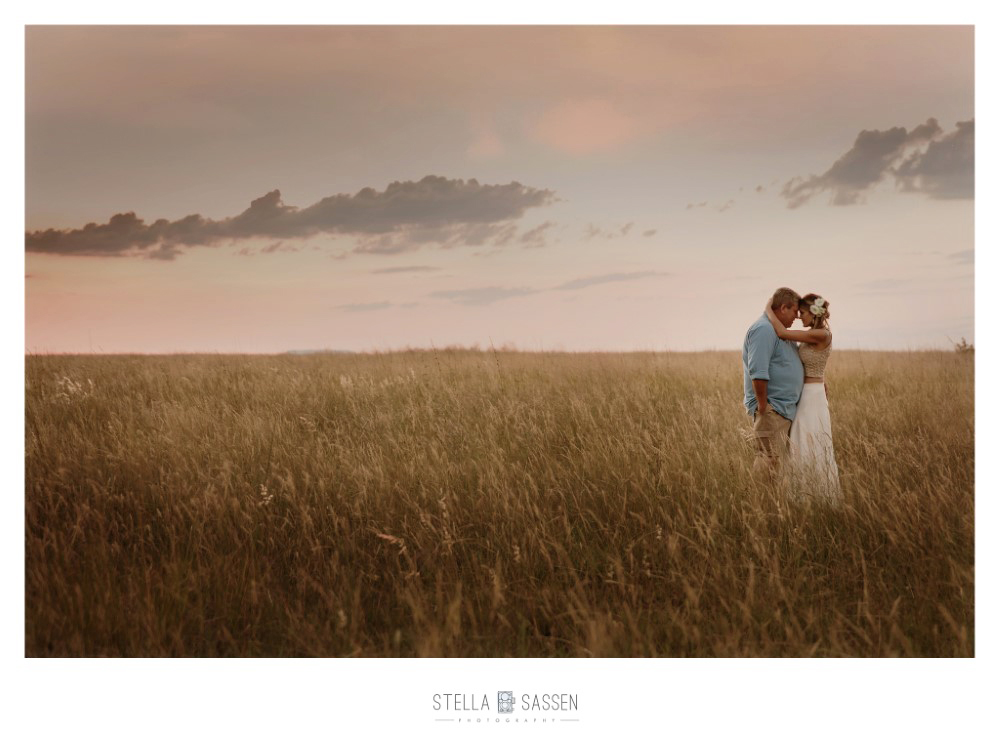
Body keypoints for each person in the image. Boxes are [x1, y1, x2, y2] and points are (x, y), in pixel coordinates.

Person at [764, 293, 842, 501]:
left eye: (803, 313)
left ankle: (818, 495)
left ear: (813, 313)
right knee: (800, 442)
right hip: (806, 394)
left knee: (813, 443)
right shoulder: (814, 334)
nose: (799, 317)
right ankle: (801, 494)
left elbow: (781, 332)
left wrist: (768, 310)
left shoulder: (821, 334)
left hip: (812, 397)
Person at [742, 288, 804, 480]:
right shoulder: (764, 330)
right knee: (767, 459)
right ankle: (758, 504)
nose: (798, 317)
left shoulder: (779, 331)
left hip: (782, 409)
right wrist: (763, 406)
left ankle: (772, 504)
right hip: (772, 408)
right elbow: (758, 372)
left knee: (777, 464)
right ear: (783, 308)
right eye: (795, 311)